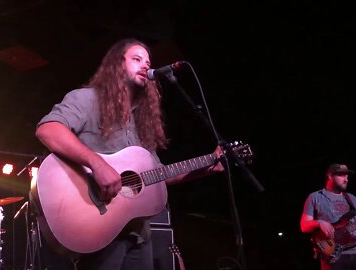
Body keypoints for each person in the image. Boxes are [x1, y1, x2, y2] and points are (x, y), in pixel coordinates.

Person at [35, 38, 224, 270]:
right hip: (98, 226)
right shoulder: (88, 99)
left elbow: (156, 176)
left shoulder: (143, 122)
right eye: (136, 59)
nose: (146, 65)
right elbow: (48, 129)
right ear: (116, 64)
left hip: (138, 233)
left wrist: (204, 169)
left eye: (148, 61)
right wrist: (97, 164)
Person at [300, 163, 356, 270]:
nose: (346, 179)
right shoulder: (315, 197)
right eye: (342, 175)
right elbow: (304, 226)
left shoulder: (352, 198)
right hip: (333, 256)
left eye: (347, 176)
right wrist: (320, 223)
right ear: (330, 176)